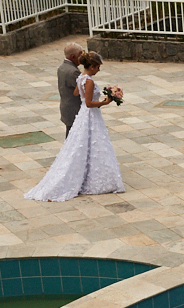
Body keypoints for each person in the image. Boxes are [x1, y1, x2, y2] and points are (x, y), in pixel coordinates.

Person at [25, 51, 124, 202]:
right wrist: (105, 101)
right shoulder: (89, 80)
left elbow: (77, 92)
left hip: (82, 115)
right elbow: (90, 103)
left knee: (83, 143)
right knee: (94, 142)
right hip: (90, 115)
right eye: (97, 67)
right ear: (91, 67)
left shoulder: (81, 77)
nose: (98, 70)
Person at [59, 42, 83, 137]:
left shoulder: (62, 68)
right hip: (74, 111)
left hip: (66, 108)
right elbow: (84, 90)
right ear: (73, 57)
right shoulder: (73, 72)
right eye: (80, 55)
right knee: (73, 140)